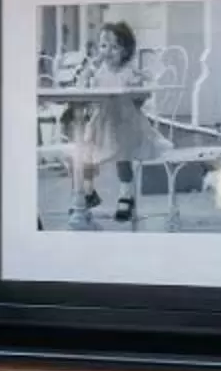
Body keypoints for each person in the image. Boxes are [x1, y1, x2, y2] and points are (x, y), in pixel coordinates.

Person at [59, 20, 153, 228]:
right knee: (84, 153)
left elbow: (142, 94)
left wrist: (138, 88)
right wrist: (89, 68)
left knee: (122, 157)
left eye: (114, 46)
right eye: (103, 46)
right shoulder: (99, 70)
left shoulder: (128, 71)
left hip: (124, 123)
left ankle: (126, 195)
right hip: (100, 121)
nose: (108, 51)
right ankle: (88, 191)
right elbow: (82, 85)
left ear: (126, 50)